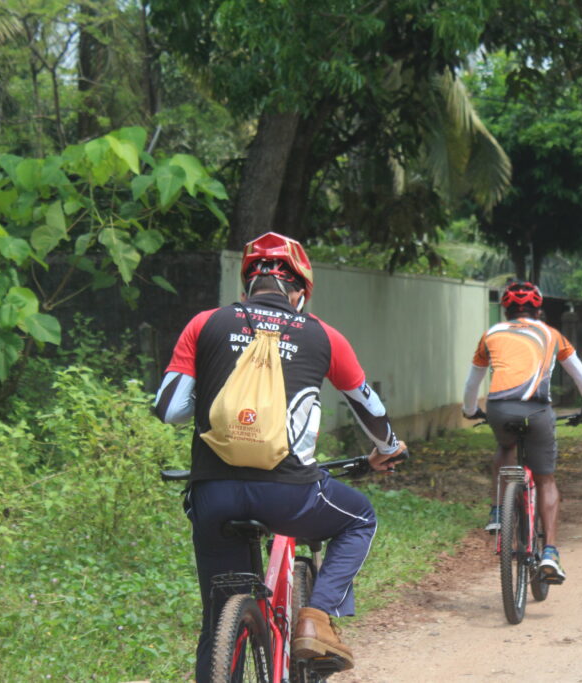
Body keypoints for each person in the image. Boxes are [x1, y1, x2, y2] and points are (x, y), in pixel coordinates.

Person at [153, 231, 407, 682]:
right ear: (300, 292)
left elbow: (170, 409)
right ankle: (316, 618)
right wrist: (388, 449)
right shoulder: (324, 336)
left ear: (246, 285)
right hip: (290, 496)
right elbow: (370, 408)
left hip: (214, 494)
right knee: (359, 519)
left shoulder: (205, 323)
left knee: (216, 624)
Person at [462, 280, 582, 584]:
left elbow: (472, 383)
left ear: (506, 309)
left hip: (499, 408)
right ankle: (550, 552)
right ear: (539, 309)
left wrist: (470, 410)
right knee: (546, 479)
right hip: (538, 410)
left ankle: (498, 514)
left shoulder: (490, 334)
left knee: (505, 448)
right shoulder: (552, 334)